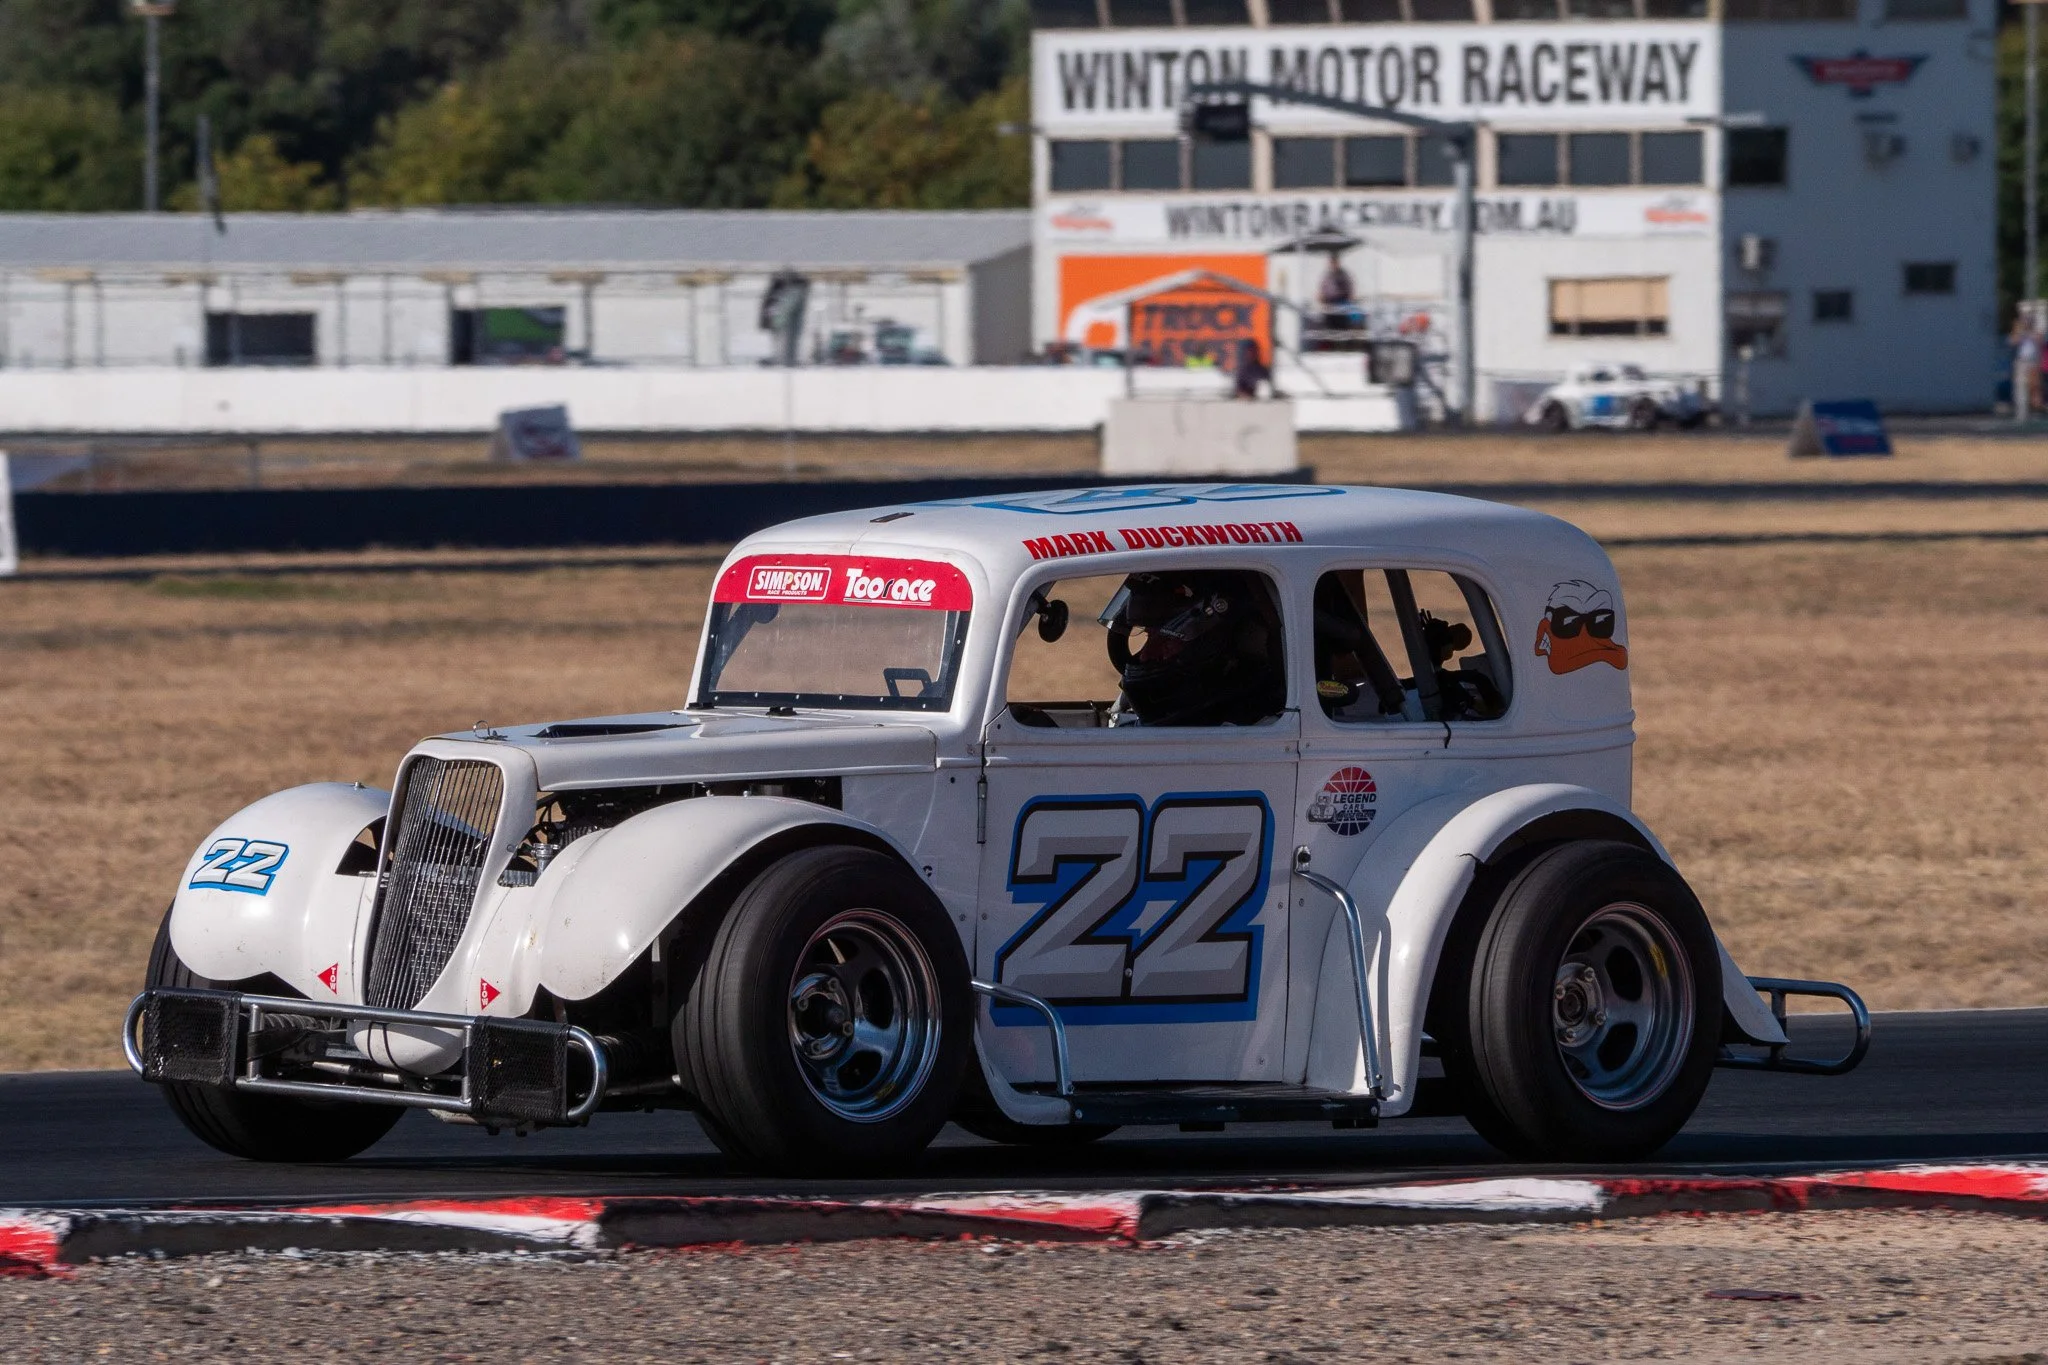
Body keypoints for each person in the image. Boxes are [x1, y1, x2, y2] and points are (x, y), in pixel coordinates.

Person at [1103, 570, 1286, 727]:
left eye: (1166, 641)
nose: (1145, 655)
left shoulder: (1257, 729)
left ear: (1209, 642)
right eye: (1148, 636)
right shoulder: (1128, 710)